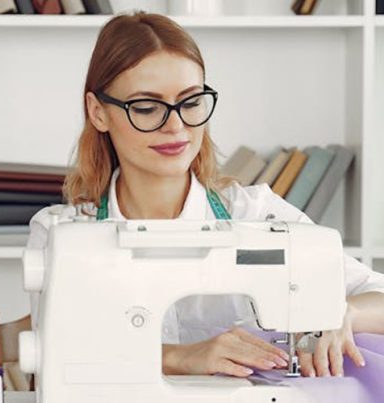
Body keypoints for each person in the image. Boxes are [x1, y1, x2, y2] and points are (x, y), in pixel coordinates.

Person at [25, 11, 384, 379]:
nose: (176, 126)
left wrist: (344, 312)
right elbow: (61, 349)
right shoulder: (60, 232)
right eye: (147, 108)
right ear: (98, 112)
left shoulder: (257, 214)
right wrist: (180, 357)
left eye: (192, 102)